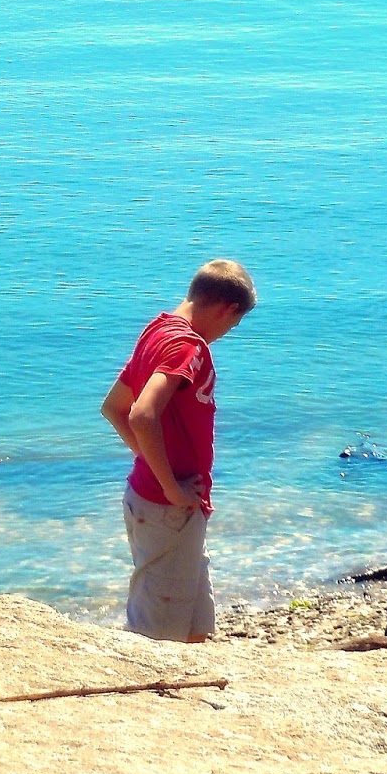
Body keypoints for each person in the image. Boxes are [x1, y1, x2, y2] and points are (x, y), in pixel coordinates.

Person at [101, 260, 256, 643]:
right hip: (167, 507)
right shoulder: (188, 347)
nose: (227, 333)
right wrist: (170, 486)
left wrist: (153, 464)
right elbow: (140, 414)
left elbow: (113, 407)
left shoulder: (159, 330)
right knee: (156, 636)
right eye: (234, 324)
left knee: (195, 628)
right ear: (227, 309)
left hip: (169, 505)